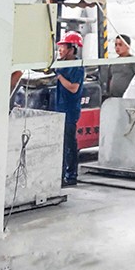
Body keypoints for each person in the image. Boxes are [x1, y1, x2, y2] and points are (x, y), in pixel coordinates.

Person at [53, 32, 85, 187]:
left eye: (63, 47)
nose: (60, 50)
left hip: (70, 110)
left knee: (69, 144)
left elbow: (73, 88)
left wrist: (59, 76)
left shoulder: (77, 67)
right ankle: (61, 175)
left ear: (72, 49)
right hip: (59, 107)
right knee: (60, 144)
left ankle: (71, 176)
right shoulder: (62, 63)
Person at [100, 34, 135, 100]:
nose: (117, 47)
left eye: (120, 45)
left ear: (128, 46)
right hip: (114, 99)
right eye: (116, 45)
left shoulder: (134, 62)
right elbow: (109, 79)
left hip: (128, 98)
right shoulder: (114, 62)